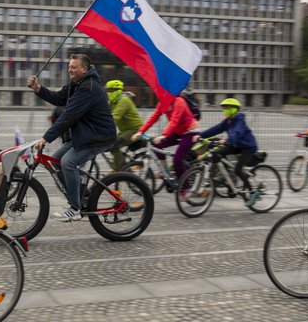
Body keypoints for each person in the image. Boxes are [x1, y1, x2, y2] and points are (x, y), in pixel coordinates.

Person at [27, 53, 116, 222]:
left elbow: (69, 115)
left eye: (74, 67)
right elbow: (58, 98)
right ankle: (83, 193)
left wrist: (46, 138)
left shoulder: (88, 87)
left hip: (99, 136)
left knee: (68, 163)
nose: (70, 70)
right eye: (69, 67)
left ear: (84, 69)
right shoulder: (76, 84)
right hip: (85, 134)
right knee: (56, 161)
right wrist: (38, 88)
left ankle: (75, 207)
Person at [192, 98, 260, 206]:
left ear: (234, 109)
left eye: (227, 108)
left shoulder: (240, 120)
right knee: (216, 154)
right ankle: (225, 175)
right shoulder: (227, 121)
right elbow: (215, 129)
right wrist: (200, 135)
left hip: (248, 147)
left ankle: (253, 192)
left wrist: (227, 141)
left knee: (238, 169)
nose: (225, 110)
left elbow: (237, 133)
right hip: (236, 145)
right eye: (224, 108)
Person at [131, 94, 199, 191]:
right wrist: (140, 132)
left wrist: (164, 135)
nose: (161, 96)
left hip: (190, 131)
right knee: (156, 144)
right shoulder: (162, 103)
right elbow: (153, 118)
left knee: (177, 160)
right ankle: (165, 170)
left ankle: (186, 187)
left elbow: (175, 119)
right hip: (176, 131)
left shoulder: (179, 101)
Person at [105, 79, 142, 171]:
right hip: (126, 131)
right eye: (107, 91)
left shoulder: (124, 100)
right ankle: (123, 167)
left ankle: (119, 170)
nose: (109, 93)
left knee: (115, 144)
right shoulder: (112, 102)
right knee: (111, 144)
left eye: (111, 90)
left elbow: (114, 117)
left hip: (135, 130)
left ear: (118, 90)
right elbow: (103, 113)